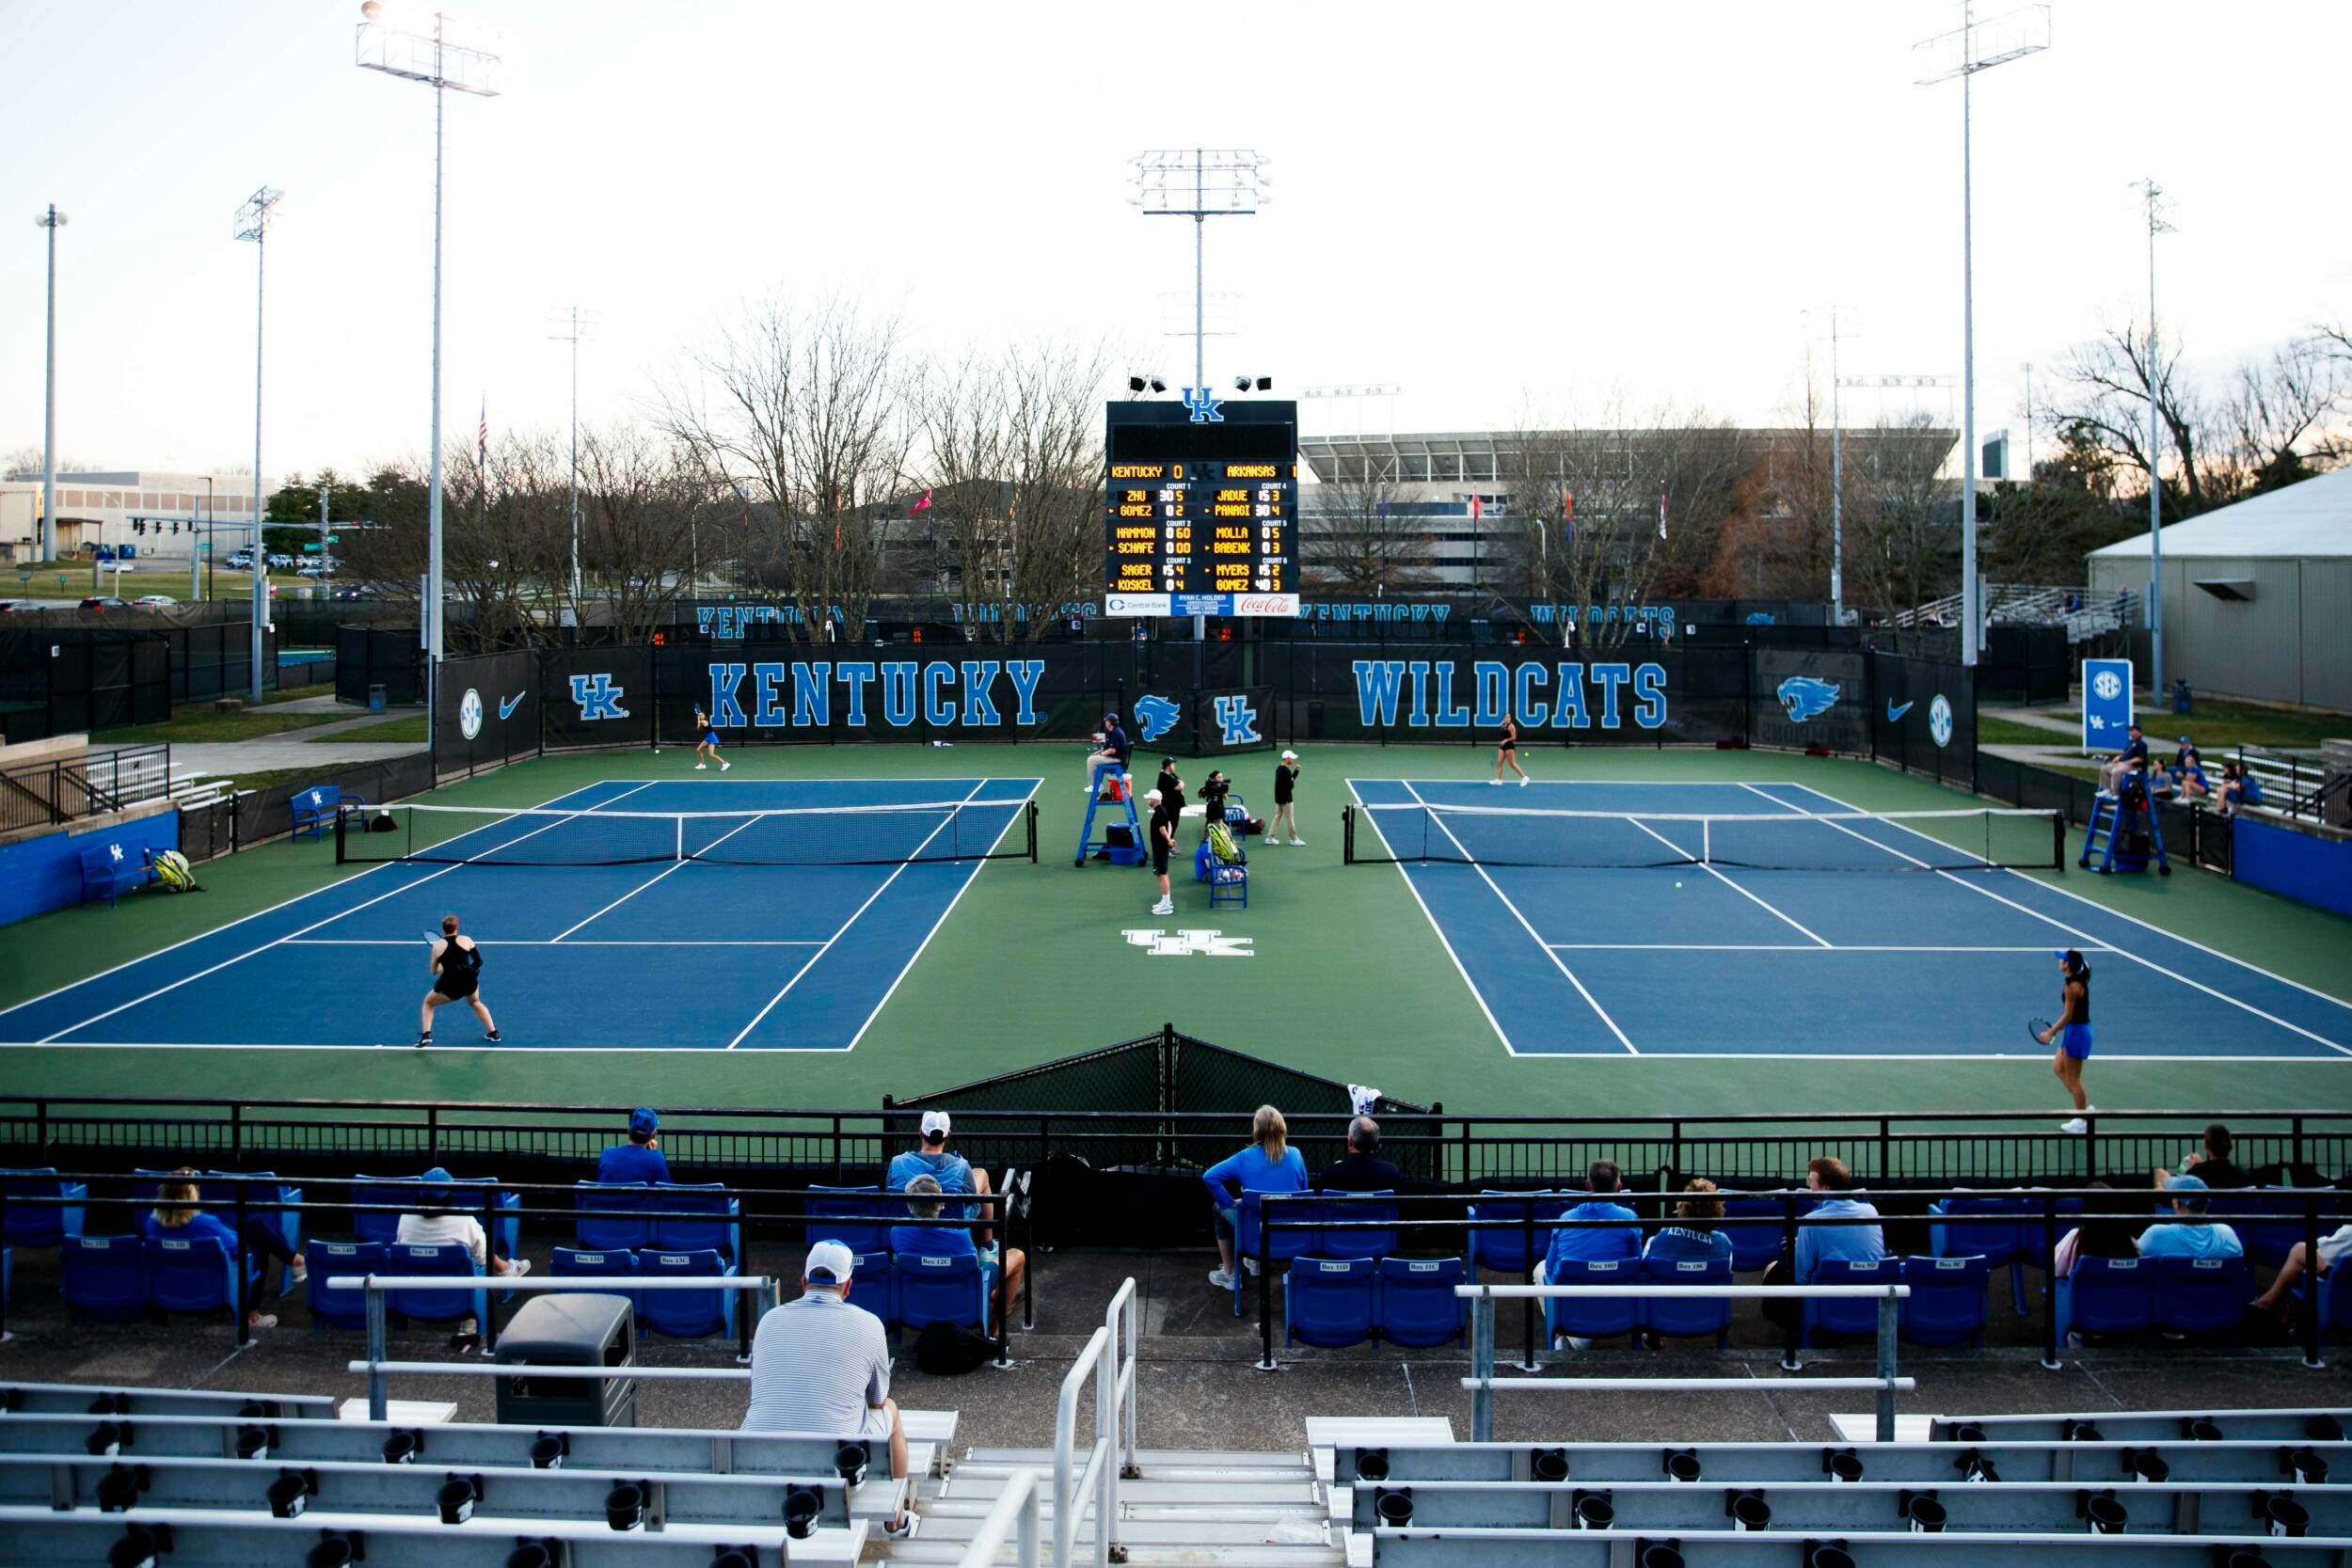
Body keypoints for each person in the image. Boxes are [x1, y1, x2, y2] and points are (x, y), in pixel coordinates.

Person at [741, 1242, 919, 1540]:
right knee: (891, 1410)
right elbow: (877, 1399)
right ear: (848, 1286)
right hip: (837, 1462)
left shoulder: (769, 1320)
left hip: (756, 1453)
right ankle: (896, 1521)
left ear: (803, 1282)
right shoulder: (869, 1324)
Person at [144, 1168, 305, 1330]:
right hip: (212, 1286)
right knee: (259, 1245)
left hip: (171, 1288)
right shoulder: (205, 1223)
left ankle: (295, 1260)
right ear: (190, 1197)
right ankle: (252, 1315)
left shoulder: (152, 1224)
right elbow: (234, 1246)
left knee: (255, 1225)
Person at [395, 1165, 530, 1349]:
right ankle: (503, 1272)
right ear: (449, 1195)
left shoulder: (405, 1218)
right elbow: (483, 1260)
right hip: (457, 1299)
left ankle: (505, 1269)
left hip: (412, 1298)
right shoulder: (464, 1220)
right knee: (476, 1261)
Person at [1759, 1157, 1884, 1331]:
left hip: (1830, 1299)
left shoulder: (1811, 1221)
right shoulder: (1871, 1211)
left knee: (1778, 1269)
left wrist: (1804, 1244)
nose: (1809, 1185)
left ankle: (1796, 1329)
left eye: (1811, 1181)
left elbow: (1800, 1277)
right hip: (1870, 1297)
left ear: (1826, 1187)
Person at [1201, 1104, 1310, 1291]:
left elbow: (1209, 1177)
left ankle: (1230, 1273)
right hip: (1291, 1234)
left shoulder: (1244, 1157)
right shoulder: (1295, 1154)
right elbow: (1304, 1192)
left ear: (1257, 1131)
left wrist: (1230, 1203)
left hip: (1256, 1235)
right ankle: (1254, 1263)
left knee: (1218, 1208)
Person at [891, 1173, 1026, 1317]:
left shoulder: (896, 1232)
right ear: (942, 1204)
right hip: (960, 1302)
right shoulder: (960, 1237)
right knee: (1018, 1255)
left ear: (909, 1206)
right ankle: (994, 1332)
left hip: (916, 1300)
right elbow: (973, 1269)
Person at [886, 1111, 1009, 1258]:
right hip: (953, 1229)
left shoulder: (897, 1163)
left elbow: (890, 1195)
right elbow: (971, 1198)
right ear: (948, 1135)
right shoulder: (962, 1166)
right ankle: (987, 1247)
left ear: (920, 1133)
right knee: (981, 1174)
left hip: (907, 1234)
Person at [419, 913, 499, 1049]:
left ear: (444, 929)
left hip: (451, 986)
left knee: (428, 1002)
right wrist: (465, 970)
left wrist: (446, 967)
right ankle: (494, 1033)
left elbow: (433, 971)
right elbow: (479, 962)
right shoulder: (467, 940)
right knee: (475, 1002)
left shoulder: (437, 947)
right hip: (469, 981)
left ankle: (426, 1035)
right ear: (456, 928)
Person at [2036, 949, 2094, 1133]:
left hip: (2077, 1033)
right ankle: (2084, 1108)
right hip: (2074, 1030)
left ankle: (2082, 1120)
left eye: (2062, 959)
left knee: (2073, 1080)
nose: (2060, 961)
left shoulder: (2071, 987)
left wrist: (2050, 1033)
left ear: (2068, 965)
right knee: (2058, 1067)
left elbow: (2068, 1015)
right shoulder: (2077, 979)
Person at [2249, 1223, 2352, 1323]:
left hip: (2338, 1294)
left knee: (2300, 1252)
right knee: (2301, 1261)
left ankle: (2265, 1304)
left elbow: (2325, 1254)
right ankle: (2266, 1304)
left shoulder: (2349, 1231)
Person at [2135, 1174, 2243, 1260]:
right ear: (2208, 1203)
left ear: (2176, 1203)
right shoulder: (2227, 1235)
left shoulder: (2156, 1235)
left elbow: (2130, 1257)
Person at [2054, 1181, 2142, 1278]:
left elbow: (2055, 1269)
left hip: (2084, 1293)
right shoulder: (2130, 1243)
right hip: (2123, 1293)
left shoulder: (2075, 1238)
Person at [1643, 1178, 1735, 1265]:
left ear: (1683, 1206)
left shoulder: (1662, 1237)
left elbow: (1646, 1266)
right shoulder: (1723, 1243)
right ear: (1717, 1209)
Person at [1317, 1117, 1405, 1193]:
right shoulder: (1391, 1172)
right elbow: (1407, 1208)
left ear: (1350, 1141)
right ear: (1376, 1143)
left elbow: (1317, 1207)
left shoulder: (1330, 1173)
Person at [2155, 1123, 2248, 1191]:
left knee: (2160, 1178)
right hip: (2234, 1216)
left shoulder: (2196, 1175)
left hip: (2203, 1215)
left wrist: (2195, 1167)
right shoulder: (2244, 1175)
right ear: (2230, 1146)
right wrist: (2200, 1165)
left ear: (2206, 1146)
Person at [596, 1107, 673, 1185]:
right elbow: (668, 1190)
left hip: (604, 1198)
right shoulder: (657, 1159)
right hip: (638, 1198)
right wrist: (653, 1154)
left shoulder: (606, 1154)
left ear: (629, 1131)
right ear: (653, 1135)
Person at [1144, 786, 1177, 916]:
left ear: (1154, 800)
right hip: (1161, 847)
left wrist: (1168, 839)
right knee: (1163, 874)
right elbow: (1169, 824)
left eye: (1149, 799)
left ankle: (1167, 906)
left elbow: (1162, 829)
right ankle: (1165, 901)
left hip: (1160, 848)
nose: (1148, 801)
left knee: (1161, 875)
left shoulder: (1159, 813)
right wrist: (1169, 838)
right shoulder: (1163, 810)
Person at [2099, 721, 2151, 796]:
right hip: (2124, 764)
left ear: (2138, 731)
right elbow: (2126, 754)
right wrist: (2119, 757)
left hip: (2135, 767)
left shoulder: (2141, 744)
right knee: (2104, 768)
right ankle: (2106, 789)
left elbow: (2140, 759)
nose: (2129, 732)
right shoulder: (2130, 742)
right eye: (2129, 730)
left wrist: (2126, 762)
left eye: (2132, 730)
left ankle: (2115, 794)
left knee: (2116, 771)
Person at [1086, 710, 1132, 792]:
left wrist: (1099, 755)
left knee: (1091, 760)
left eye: (1106, 721)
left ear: (1109, 723)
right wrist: (1097, 753)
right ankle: (1097, 784)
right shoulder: (1115, 731)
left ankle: (1095, 785)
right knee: (1093, 758)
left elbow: (1112, 750)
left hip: (1117, 759)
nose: (1105, 722)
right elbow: (1107, 748)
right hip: (1118, 758)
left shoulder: (1115, 732)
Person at [1268, 750, 1303, 847]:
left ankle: (1269, 837)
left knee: (1278, 816)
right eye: (1292, 758)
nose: (1293, 760)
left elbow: (1288, 780)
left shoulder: (1279, 769)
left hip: (1278, 797)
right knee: (1290, 819)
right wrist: (1292, 781)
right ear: (1287, 759)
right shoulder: (1286, 771)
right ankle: (1294, 839)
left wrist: (1296, 772)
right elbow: (1290, 786)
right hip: (1286, 799)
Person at [1490, 711, 1531, 786]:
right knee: (1499, 763)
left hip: (1509, 746)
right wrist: (1503, 741)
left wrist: (1505, 740)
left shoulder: (1511, 726)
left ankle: (1524, 778)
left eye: (1509, 717)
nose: (1508, 718)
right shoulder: (1502, 725)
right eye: (1506, 717)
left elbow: (1514, 737)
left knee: (1511, 764)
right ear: (1503, 718)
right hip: (1503, 746)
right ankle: (1499, 780)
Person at [1198, 768, 1232, 845]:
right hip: (1210, 810)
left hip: (1219, 810)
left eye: (1221, 777)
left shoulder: (1222, 787)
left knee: (1221, 827)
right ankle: (1204, 842)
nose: (1221, 779)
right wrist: (1203, 790)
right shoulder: (1209, 787)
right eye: (1219, 777)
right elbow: (1200, 796)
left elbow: (1226, 797)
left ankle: (1227, 844)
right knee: (1207, 827)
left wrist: (1223, 791)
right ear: (1214, 778)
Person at [693, 705, 730, 771]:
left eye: (702, 715)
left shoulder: (704, 721)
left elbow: (698, 727)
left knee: (711, 754)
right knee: (698, 749)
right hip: (708, 737)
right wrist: (698, 720)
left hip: (712, 738)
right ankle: (702, 764)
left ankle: (725, 763)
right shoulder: (701, 721)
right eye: (700, 715)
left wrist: (698, 719)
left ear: (704, 716)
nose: (701, 716)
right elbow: (698, 727)